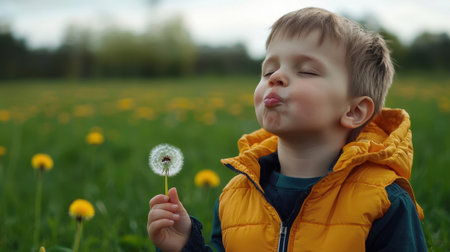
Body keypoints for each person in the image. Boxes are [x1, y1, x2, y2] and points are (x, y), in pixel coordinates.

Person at [147, 7, 427, 252]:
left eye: (305, 70)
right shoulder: (234, 197)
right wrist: (184, 246)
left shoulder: (385, 202)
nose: (277, 77)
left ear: (353, 111)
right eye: (268, 71)